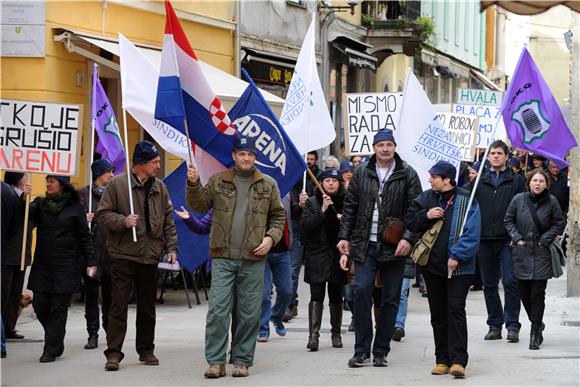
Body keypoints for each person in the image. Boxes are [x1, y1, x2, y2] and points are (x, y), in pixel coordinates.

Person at [185, 135, 285, 378]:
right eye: (242, 153)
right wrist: (193, 183)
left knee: (248, 312)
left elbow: (278, 217)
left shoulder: (268, 184)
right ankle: (216, 362)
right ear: (234, 155)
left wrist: (270, 238)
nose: (246, 158)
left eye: (250, 154)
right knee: (218, 310)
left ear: (255, 157)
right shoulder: (219, 181)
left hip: (253, 257)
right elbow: (198, 205)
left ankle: (241, 360)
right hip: (223, 257)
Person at [337, 128, 422, 368]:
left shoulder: (408, 173)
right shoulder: (362, 171)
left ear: (395, 146)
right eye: (380, 144)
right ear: (374, 147)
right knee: (361, 292)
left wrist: (408, 238)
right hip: (365, 244)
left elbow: (415, 211)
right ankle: (361, 349)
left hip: (394, 248)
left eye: (389, 144)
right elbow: (351, 206)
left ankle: (381, 350)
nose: (385, 148)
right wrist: (344, 237)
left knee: (391, 299)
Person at [96, 140, 178, 371]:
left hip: (150, 255)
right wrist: (123, 221)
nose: (158, 166)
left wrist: (171, 248)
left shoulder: (160, 187)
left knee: (147, 307)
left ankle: (146, 350)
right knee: (118, 306)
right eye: (155, 162)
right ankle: (113, 353)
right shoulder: (117, 185)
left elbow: (168, 220)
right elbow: (102, 214)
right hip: (123, 254)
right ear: (140, 164)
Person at [406, 161, 481, 378]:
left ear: (447, 179)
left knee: (455, 309)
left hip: (460, 269)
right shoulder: (425, 198)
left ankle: (458, 360)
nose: (429, 180)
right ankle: (442, 359)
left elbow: (473, 232)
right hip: (432, 267)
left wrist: (457, 255)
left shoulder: (467, 199)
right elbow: (410, 222)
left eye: (434, 177)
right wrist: (426, 216)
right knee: (438, 314)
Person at [28, 175, 97, 362]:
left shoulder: (76, 208)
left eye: (52, 181)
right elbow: (23, 216)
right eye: (47, 181)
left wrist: (91, 262)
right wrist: (23, 199)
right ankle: (56, 334)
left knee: (58, 309)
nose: (48, 184)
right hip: (43, 264)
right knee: (40, 306)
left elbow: (85, 237)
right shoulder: (40, 204)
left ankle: (50, 349)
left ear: (62, 184)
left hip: (66, 265)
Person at [465, 140, 525, 342]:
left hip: (507, 240)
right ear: (487, 157)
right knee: (489, 284)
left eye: (499, 153)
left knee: (510, 282)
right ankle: (494, 325)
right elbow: (463, 199)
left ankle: (513, 326)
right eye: (492, 153)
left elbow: (523, 209)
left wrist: (518, 236)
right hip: (483, 240)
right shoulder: (479, 181)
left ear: (507, 156)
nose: (496, 156)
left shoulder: (517, 181)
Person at [504, 168, 565, 350]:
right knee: (524, 294)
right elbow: (509, 220)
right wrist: (517, 238)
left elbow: (559, 222)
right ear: (528, 182)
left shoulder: (552, 201)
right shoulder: (518, 200)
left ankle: (534, 333)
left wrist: (546, 239)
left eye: (541, 181)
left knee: (537, 294)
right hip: (521, 253)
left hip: (541, 253)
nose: (537, 184)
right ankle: (538, 323)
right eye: (534, 180)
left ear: (546, 184)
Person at [301, 169, 347, 351]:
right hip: (317, 254)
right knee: (316, 295)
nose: (330, 184)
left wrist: (343, 220)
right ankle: (314, 336)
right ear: (320, 183)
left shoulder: (346, 202)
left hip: (337, 254)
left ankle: (336, 333)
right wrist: (322, 211)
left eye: (334, 181)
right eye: (327, 180)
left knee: (336, 296)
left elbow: (355, 226)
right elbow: (305, 226)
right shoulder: (312, 202)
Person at [79, 159, 115, 350]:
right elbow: (74, 222)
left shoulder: (114, 192)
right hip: (91, 254)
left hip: (110, 253)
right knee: (91, 297)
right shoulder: (83, 194)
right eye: (108, 171)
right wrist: (83, 219)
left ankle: (110, 331)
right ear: (99, 173)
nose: (111, 175)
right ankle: (92, 334)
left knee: (109, 297)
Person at [257, 194, 294, 342]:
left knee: (286, 291)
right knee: (264, 294)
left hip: (282, 251)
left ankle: (276, 317)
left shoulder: (286, 192)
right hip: (261, 252)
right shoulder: (256, 192)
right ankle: (262, 328)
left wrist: (302, 206)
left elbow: (294, 213)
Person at [2, 172, 32, 340]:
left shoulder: (26, 199)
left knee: (15, 294)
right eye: (25, 175)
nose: (27, 178)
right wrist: (23, 200)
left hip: (22, 254)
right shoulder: (9, 196)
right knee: (4, 294)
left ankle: (9, 327)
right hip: (9, 254)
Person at [391, 257, 415, 342]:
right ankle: (388, 325)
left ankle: (399, 325)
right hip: (385, 259)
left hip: (406, 260)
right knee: (389, 295)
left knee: (402, 293)